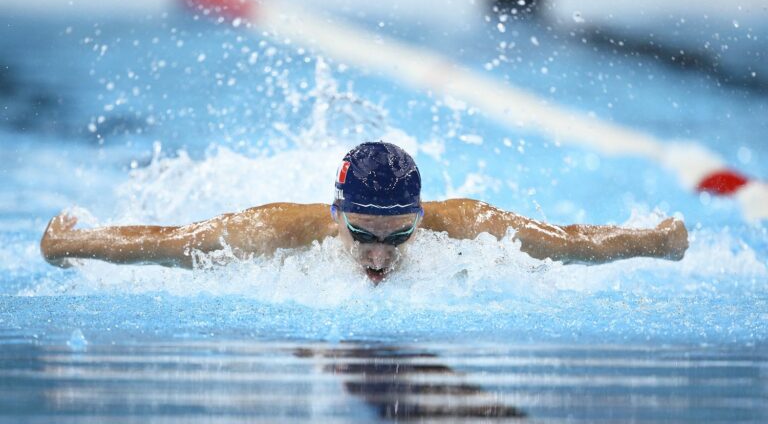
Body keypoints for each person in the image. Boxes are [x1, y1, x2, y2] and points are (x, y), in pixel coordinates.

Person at [40, 142, 689, 284]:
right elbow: (169, 240)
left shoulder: (466, 222)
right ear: (337, 214)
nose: (378, 257)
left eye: (398, 235)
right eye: (363, 236)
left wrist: (655, 239)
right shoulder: (280, 228)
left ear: (420, 214)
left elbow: (573, 242)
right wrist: (76, 242)